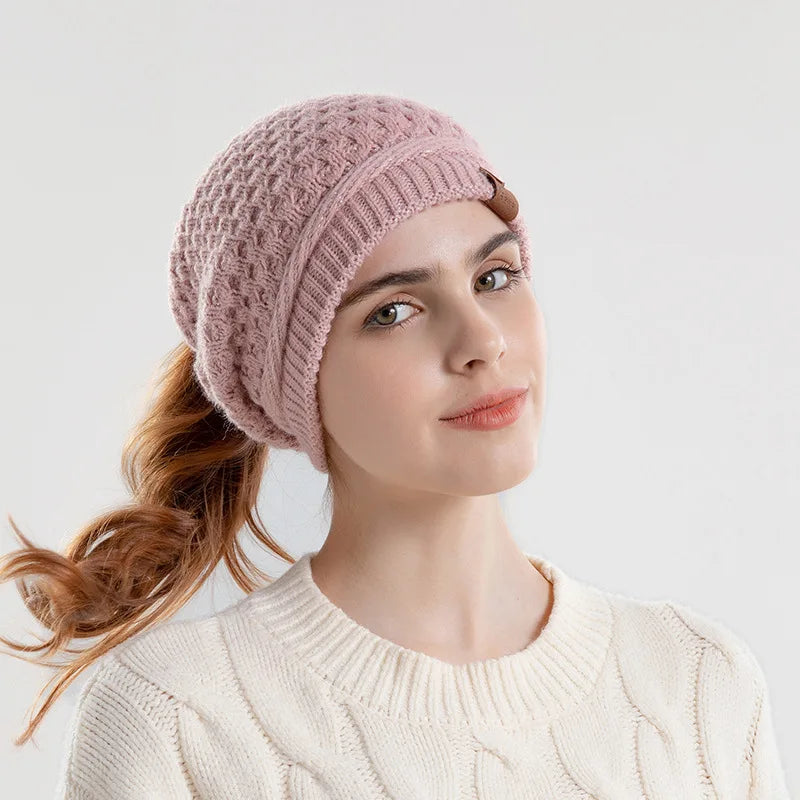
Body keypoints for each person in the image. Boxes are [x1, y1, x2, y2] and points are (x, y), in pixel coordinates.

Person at [0, 92, 790, 799]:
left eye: (494, 277)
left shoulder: (697, 683)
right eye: (394, 311)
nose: (483, 342)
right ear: (294, 380)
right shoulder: (175, 722)